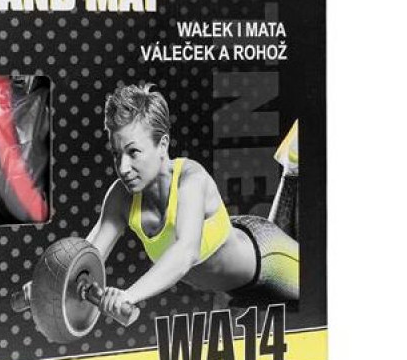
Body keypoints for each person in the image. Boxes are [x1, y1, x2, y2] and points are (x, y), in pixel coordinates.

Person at [88, 83, 299, 324]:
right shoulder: (121, 197)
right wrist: (60, 282)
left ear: (163, 145)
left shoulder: (191, 178)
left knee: (317, 288)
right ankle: (291, 166)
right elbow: (86, 257)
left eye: (133, 152)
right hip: (232, 291)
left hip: (266, 259)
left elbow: (185, 253)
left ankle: (292, 166)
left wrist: (128, 295)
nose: (123, 167)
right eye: (116, 154)